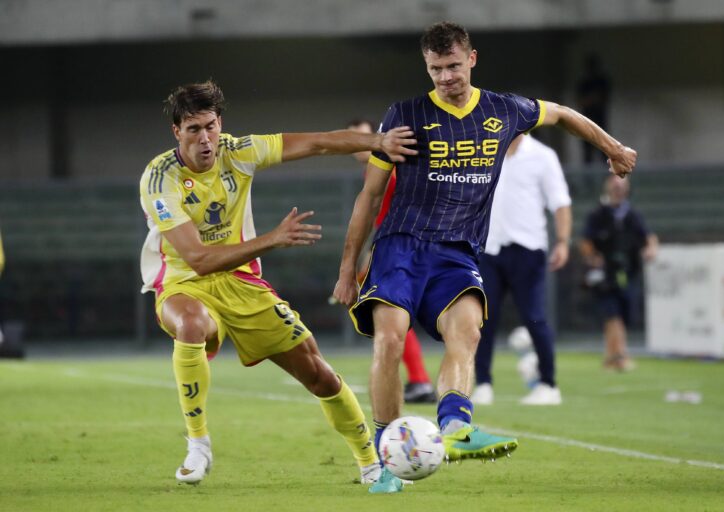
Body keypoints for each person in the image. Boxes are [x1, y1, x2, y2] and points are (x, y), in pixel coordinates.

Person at [333, 21, 636, 493]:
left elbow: (563, 114)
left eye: (453, 65)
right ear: (426, 67)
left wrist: (612, 149)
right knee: (390, 340)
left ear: (472, 59)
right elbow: (370, 197)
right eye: (436, 69)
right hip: (401, 245)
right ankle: (387, 460)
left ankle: (455, 426)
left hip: (458, 251)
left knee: (469, 329)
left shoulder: (504, 109)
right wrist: (348, 268)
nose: (446, 77)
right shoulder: (404, 114)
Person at [139, 80, 417, 486]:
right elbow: (197, 260)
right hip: (184, 283)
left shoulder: (238, 152)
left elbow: (317, 143)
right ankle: (198, 444)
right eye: (194, 129)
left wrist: (379, 141)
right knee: (192, 324)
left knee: (319, 374)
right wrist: (272, 239)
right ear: (176, 132)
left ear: (221, 124)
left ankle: (371, 463)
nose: (205, 139)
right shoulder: (159, 178)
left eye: (211, 126)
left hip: (242, 284)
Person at [471, 133, 572, 407]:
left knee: (535, 317)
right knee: (481, 320)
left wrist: (562, 241)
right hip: (489, 247)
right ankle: (483, 384)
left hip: (527, 248)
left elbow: (560, 202)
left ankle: (548, 385)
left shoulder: (542, 156)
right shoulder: (484, 152)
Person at [347, 118, 437, 404]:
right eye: (352, 139)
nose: (357, 144)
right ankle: (418, 379)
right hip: (396, 244)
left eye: (363, 137)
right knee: (393, 313)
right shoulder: (375, 168)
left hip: (401, 246)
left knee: (389, 310)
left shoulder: (389, 166)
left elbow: (399, 209)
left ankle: (419, 380)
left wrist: (375, 253)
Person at [579, 175, 658, 371]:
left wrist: (650, 249)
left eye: (621, 186)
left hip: (628, 272)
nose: (618, 189)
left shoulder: (632, 215)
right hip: (605, 273)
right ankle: (620, 355)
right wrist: (594, 259)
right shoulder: (598, 214)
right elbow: (585, 241)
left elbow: (648, 237)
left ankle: (610, 357)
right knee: (612, 313)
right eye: (615, 185)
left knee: (620, 315)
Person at [576, 54, 612, 164]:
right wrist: (591, 99)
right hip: (586, 122)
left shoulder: (602, 81)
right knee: (587, 155)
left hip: (600, 121)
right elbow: (580, 101)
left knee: (604, 153)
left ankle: (606, 179)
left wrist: (593, 99)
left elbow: (604, 98)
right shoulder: (584, 82)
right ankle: (588, 181)